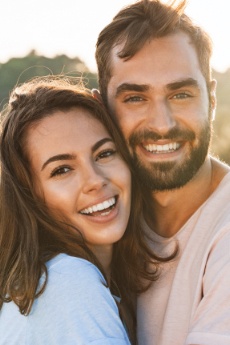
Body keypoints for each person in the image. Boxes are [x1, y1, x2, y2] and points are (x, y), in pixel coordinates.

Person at [95, 0, 230, 344]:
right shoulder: (99, 217)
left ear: (211, 99)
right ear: (102, 110)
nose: (162, 124)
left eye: (181, 94)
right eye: (135, 98)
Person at [0, 76, 169, 345]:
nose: (95, 180)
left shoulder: (58, 279)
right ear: (29, 196)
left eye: (104, 154)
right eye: (62, 170)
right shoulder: (67, 282)